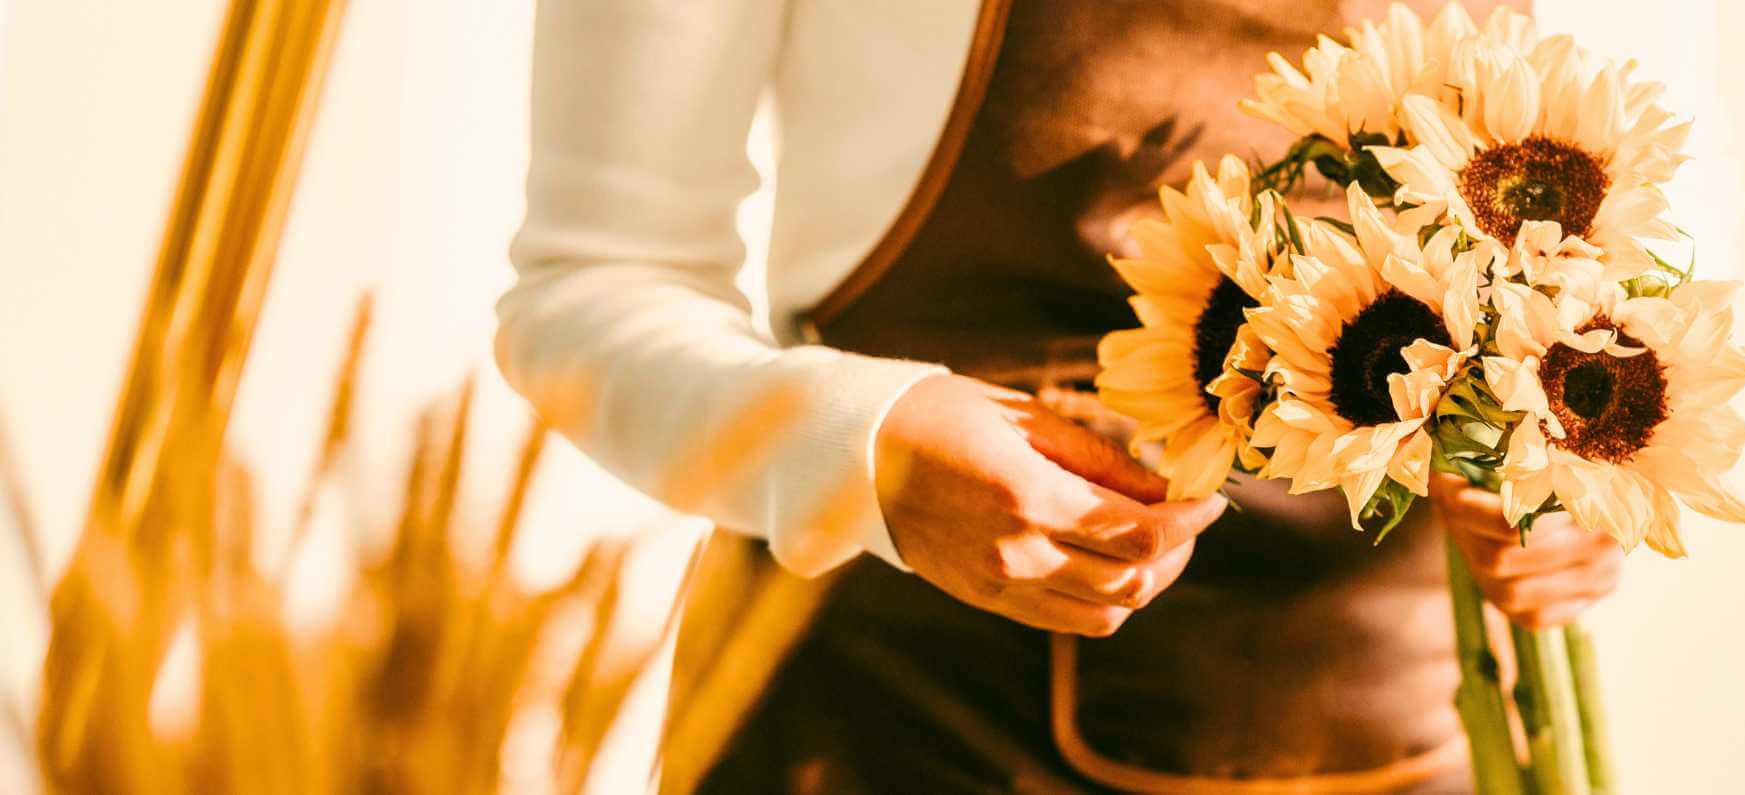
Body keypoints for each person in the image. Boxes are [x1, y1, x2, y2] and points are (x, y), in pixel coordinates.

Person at [500, 0, 1636, 790]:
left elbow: (1650, 171)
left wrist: (1580, 448)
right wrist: (865, 449)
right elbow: (588, 282)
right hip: (908, 723)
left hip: (1418, 733)